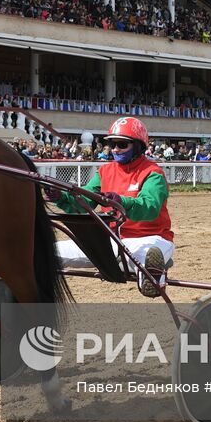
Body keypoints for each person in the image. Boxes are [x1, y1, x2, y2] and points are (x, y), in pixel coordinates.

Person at [47, 116, 173, 298]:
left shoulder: (153, 174)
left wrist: (121, 202)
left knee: (148, 257)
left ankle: (154, 278)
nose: (115, 149)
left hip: (151, 239)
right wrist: (61, 197)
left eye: (122, 144)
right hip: (111, 241)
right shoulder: (104, 172)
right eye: (112, 144)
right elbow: (83, 202)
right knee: (48, 251)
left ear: (138, 146)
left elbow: (150, 207)